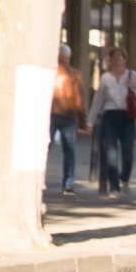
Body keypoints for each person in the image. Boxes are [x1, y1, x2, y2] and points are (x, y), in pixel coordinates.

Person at [85, 46, 136, 199]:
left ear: (125, 59)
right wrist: (90, 122)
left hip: (127, 117)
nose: (117, 59)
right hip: (110, 116)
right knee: (111, 152)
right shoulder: (106, 78)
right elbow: (98, 101)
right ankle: (114, 187)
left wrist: (133, 90)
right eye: (114, 56)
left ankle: (124, 178)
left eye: (120, 56)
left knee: (128, 154)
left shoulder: (132, 76)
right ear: (110, 60)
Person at [51, 44, 86, 195]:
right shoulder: (75, 74)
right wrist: (82, 120)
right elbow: (78, 100)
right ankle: (68, 184)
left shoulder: (50, 72)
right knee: (70, 151)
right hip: (69, 115)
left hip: (51, 115)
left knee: (46, 148)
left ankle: (37, 180)